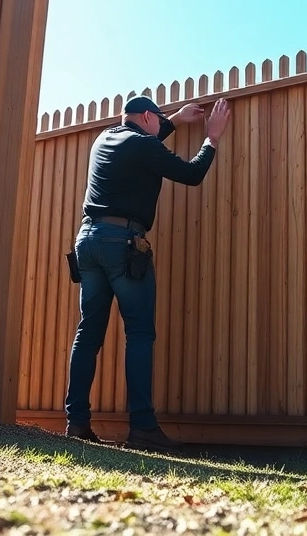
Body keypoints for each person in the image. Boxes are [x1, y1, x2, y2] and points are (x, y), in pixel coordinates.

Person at [64, 95, 231, 451]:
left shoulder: (106, 138)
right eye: (157, 119)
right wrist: (211, 136)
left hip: (87, 241)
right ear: (145, 117)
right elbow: (191, 173)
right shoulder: (141, 144)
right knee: (139, 333)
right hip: (121, 243)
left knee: (88, 334)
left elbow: (147, 139)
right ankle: (142, 427)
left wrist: (174, 119)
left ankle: (76, 422)